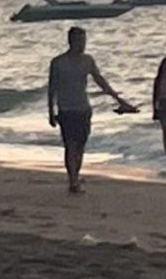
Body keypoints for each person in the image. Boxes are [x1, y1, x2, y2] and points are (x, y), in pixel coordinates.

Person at [46, 27, 135, 194]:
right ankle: (73, 181)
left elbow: (100, 81)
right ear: (71, 41)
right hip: (66, 109)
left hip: (83, 108)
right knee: (70, 145)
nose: (83, 44)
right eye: (80, 41)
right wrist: (51, 111)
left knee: (80, 145)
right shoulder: (58, 62)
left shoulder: (88, 60)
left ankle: (75, 175)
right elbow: (52, 88)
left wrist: (120, 100)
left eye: (84, 40)